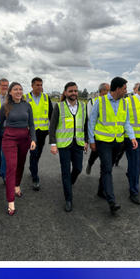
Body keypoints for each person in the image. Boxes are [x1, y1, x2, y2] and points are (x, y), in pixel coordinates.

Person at [89, 76, 137, 214]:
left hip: (117, 142)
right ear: (118, 89)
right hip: (103, 141)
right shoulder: (100, 101)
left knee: (106, 168)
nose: (126, 91)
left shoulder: (124, 103)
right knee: (107, 169)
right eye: (125, 88)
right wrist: (92, 140)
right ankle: (111, 201)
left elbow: (126, 122)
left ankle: (100, 190)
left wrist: (132, 137)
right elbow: (92, 122)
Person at [0, 82, 36, 215]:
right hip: (9, 137)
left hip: (24, 138)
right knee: (11, 167)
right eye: (15, 89)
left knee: (20, 164)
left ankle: (17, 185)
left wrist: (33, 139)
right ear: (10, 92)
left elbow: (31, 124)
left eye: (20, 89)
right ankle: (11, 201)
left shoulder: (27, 106)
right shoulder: (5, 106)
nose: (18, 91)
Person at [50, 82, 88, 212]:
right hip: (64, 144)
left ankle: (69, 183)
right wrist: (53, 144)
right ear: (65, 92)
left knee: (78, 168)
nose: (74, 93)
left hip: (78, 143)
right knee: (65, 171)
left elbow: (86, 125)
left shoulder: (83, 106)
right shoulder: (59, 106)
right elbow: (53, 126)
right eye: (71, 91)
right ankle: (68, 199)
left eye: (75, 91)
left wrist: (87, 141)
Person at [26, 77, 54, 190]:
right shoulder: (25, 98)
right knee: (34, 153)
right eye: (37, 85)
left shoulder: (46, 98)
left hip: (43, 131)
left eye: (41, 85)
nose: (40, 87)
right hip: (30, 131)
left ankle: (32, 167)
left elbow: (51, 115)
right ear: (32, 85)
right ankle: (35, 178)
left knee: (39, 153)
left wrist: (53, 130)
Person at [86, 83, 111, 175]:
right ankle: (90, 163)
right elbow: (89, 118)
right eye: (109, 90)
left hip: (108, 133)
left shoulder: (111, 102)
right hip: (97, 132)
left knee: (105, 157)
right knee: (96, 151)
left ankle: (103, 175)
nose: (111, 92)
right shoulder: (92, 101)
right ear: (102, 91)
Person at [0, 78, 10, 179]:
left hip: (7, 129)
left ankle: (4, 174)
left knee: (5, 152)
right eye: (3, 85)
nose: (5, 87)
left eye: (6, 85)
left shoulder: (11, 98)